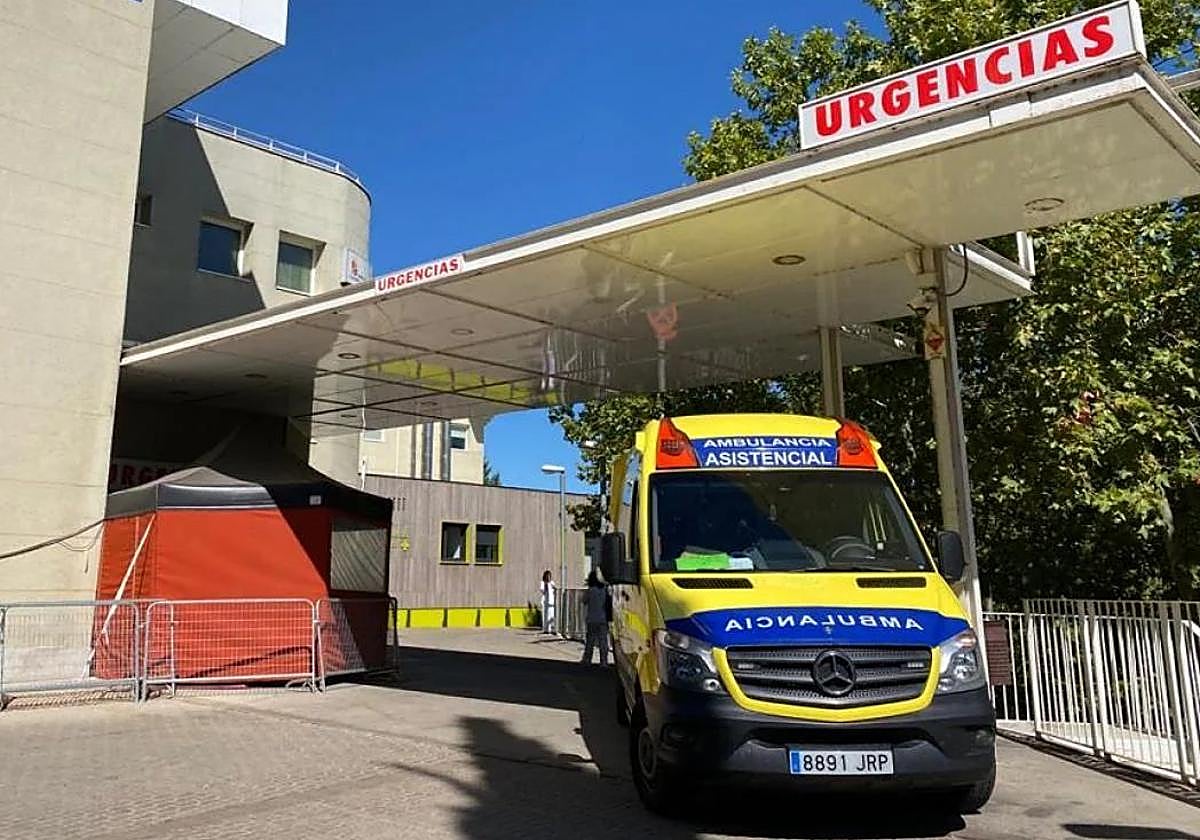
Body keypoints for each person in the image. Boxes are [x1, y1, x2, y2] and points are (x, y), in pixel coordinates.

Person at [580, 569, 611, 666]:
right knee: (603, 641)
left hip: (591, 618)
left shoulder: (590, 591)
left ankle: (587, 659)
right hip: (602, 618)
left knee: (590, 640)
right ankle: (604, 661)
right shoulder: (605, 590)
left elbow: (584, 601)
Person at [540, 569, 556, 634]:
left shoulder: (552, 583)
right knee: (546, 615)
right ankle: (546, 629)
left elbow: (555, 589)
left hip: (551, 601)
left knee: (552, 615)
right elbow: (542, 590)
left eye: (550, 576)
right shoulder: (543, 583)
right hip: (545, 601)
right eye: (547, 576)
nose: (549, 577)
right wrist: (546, 584)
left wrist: (553, 586)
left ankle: (552, 628)